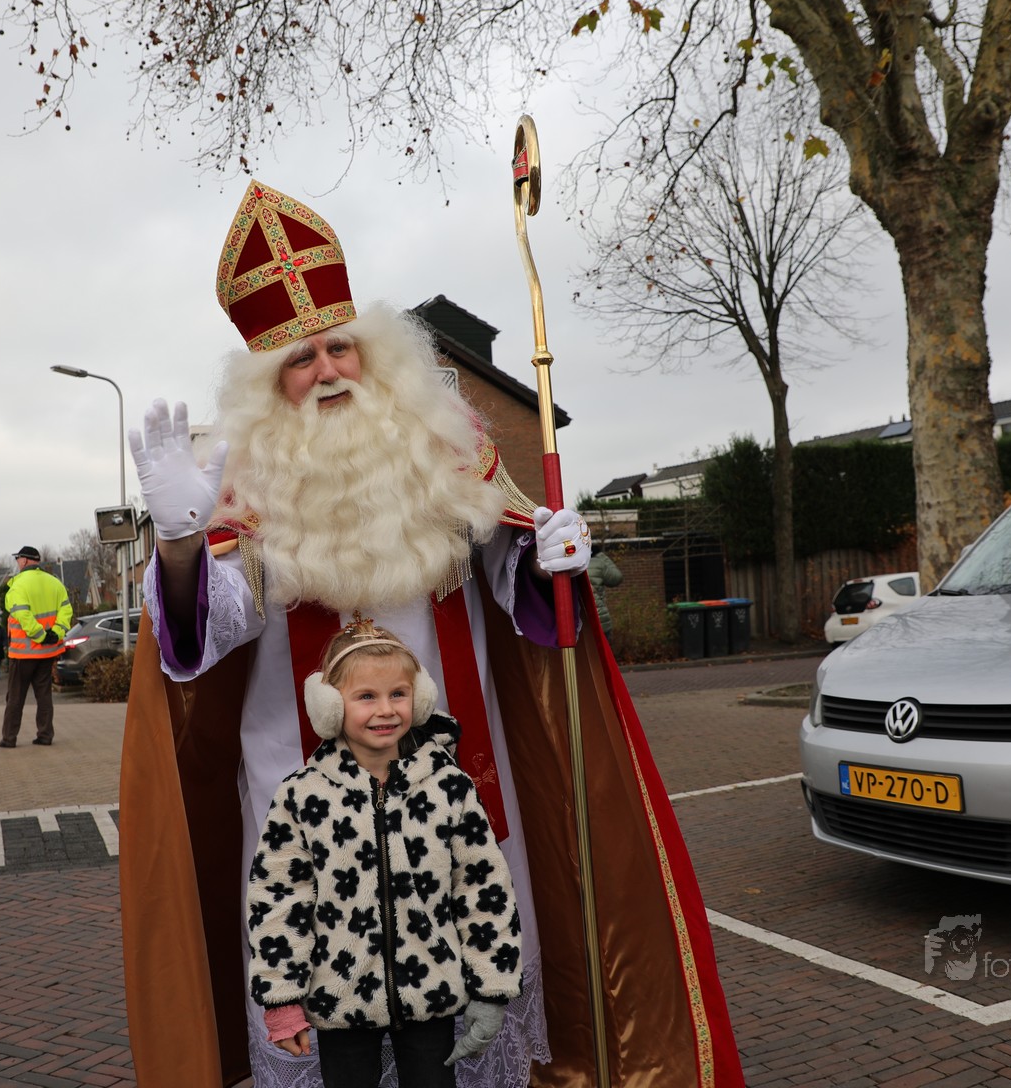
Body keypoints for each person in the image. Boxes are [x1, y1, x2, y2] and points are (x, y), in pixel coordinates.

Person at [120, 180, 742, 1088]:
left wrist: (552, 557)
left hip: (456, 801)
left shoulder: (446, 449)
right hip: (305, 811)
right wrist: (180, 544)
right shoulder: (239, 487)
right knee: (328, 1032)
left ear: (372, 354)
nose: (328, 371)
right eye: (301, 359)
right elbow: (201, 639)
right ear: (269, 383)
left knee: (459, 1026)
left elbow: (519, 585)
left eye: (340, 347)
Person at [249, 621, 521, 1088]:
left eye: (398, 694)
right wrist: (281, 998)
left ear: (419, 698)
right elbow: (278, 899)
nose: (386, 710)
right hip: (340, 998)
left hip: (432, 993)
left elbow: (483, 889)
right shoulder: (302, 796)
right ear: (330, 707)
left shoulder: (449, 787)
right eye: (366, 697)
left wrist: (492, 989)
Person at [0, 547, 72, 748]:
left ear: (24, 561)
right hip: (47, 652)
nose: (17, 562)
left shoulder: (18, 585)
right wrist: (55, 633)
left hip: (23, 653)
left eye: (18, 559)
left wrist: (39, 636)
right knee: (44, 695)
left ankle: (9, 738)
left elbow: (23, 615)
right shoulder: (55, 582)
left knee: (15, 697)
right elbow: (66, 610)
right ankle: (45, 735)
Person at [587, 546, 624, 639]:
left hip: (575, 623)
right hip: (600, 620)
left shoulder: (564, 565)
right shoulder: (597, 563)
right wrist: (599, 554)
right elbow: (617, 578)